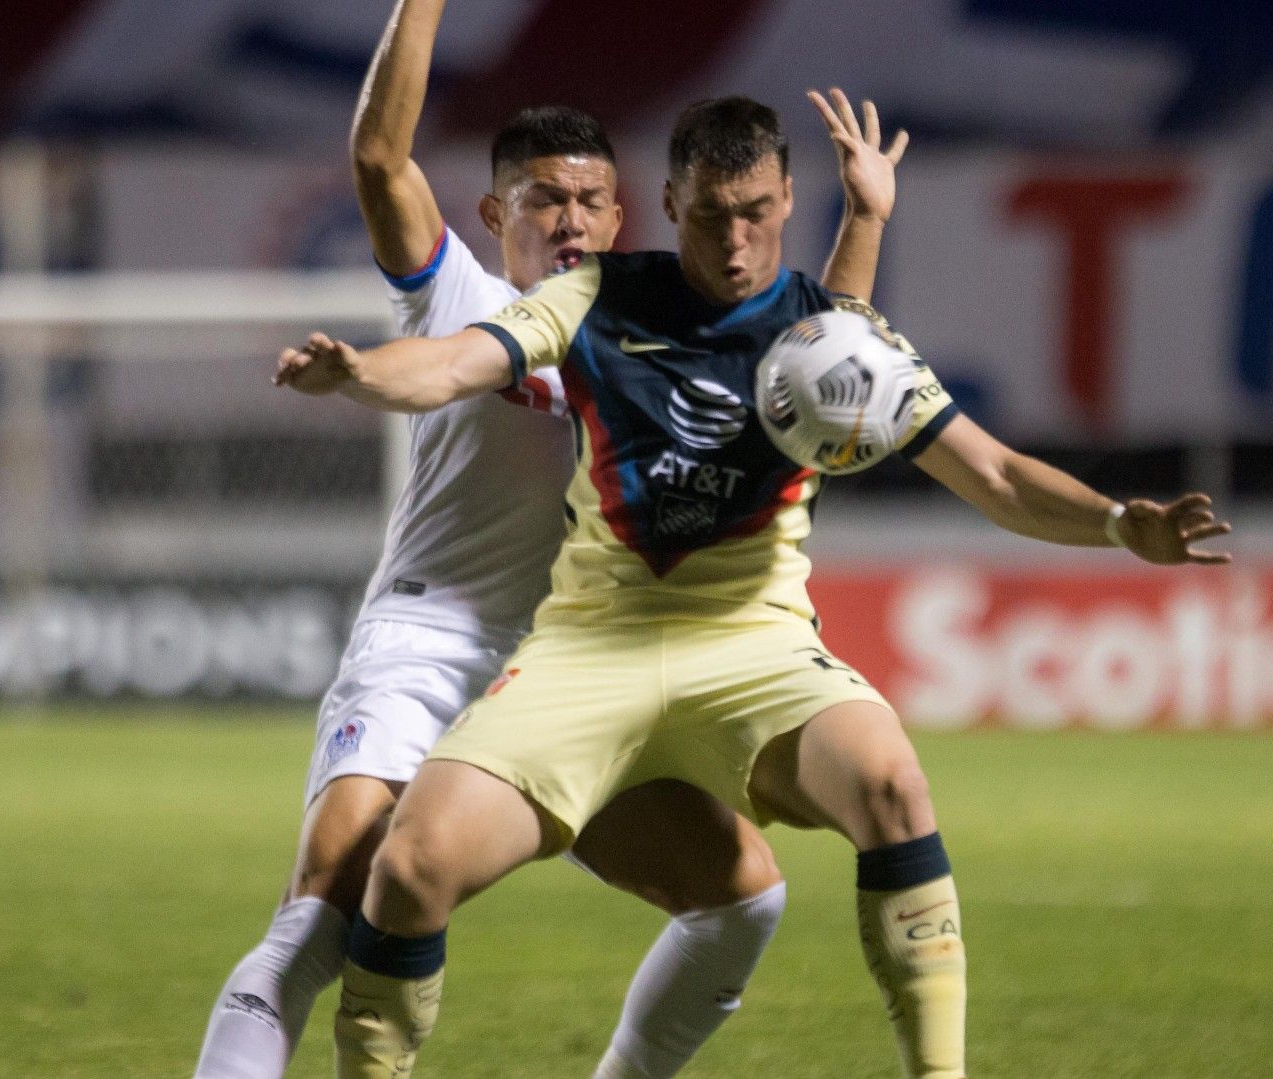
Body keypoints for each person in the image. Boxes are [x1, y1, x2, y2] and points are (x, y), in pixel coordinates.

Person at [276, 94, 1231, 1079]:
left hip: (753, 647)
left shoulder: (836, 338)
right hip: (588, 647)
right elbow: (448, 362)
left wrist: (1120, 522)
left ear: (785, 199)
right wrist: (359, 374)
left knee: (894, 783)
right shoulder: (597, 295)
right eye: (710, 216)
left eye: (759, 213)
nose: (736, 243)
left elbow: (991, 472)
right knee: (412, 863)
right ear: (669, 201)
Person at [195, 2, 911, 1076]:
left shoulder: (654, 329)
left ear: (625, 211)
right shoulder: (459, 295)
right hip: (427, 645)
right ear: (494, 212)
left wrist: (864, 218)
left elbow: (821, 366)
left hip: (571, 671)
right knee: (319, 921)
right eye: (542, 199)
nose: (568, 218)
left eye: (588, 198)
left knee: (743, 896)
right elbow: (379, 155)